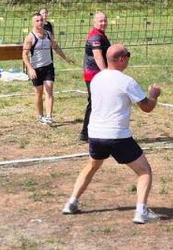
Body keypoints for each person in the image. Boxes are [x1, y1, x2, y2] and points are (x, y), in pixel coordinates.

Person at [62, 44, 163, 224]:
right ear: (122, 59)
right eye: (128, 55)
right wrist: (153, 95)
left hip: (95, 134)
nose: (129, 59)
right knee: (144, 171)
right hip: (117, 136)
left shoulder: (97, 78)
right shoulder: (126, 81)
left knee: (92, 166)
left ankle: (71, 202)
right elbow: (147, 107)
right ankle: (141, 212)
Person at [22, 12, 74, 125]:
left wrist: (66, 58)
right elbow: (24, 55)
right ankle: (40, 116)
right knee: (38, 93)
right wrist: (30, 69)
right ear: (33, 23)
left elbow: (55, 47)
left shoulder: (48, 34)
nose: (40, 22)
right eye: (37, 21)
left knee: (49, 90)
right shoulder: (30, 37)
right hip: (36, 68)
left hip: (48, 67)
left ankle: (49, 117)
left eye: (41, 20)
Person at [80, 11, 110, 142]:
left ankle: (94, 130)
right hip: (94, 75)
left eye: (105, 20)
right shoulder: (95, 37)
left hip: (97, 75)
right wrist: (106, 73)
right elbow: (98, 56)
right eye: (100, 21)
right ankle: (85, 133)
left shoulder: (100, 34)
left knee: (100, 102)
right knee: (94, 103)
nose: (103, 23)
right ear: (94, 22)